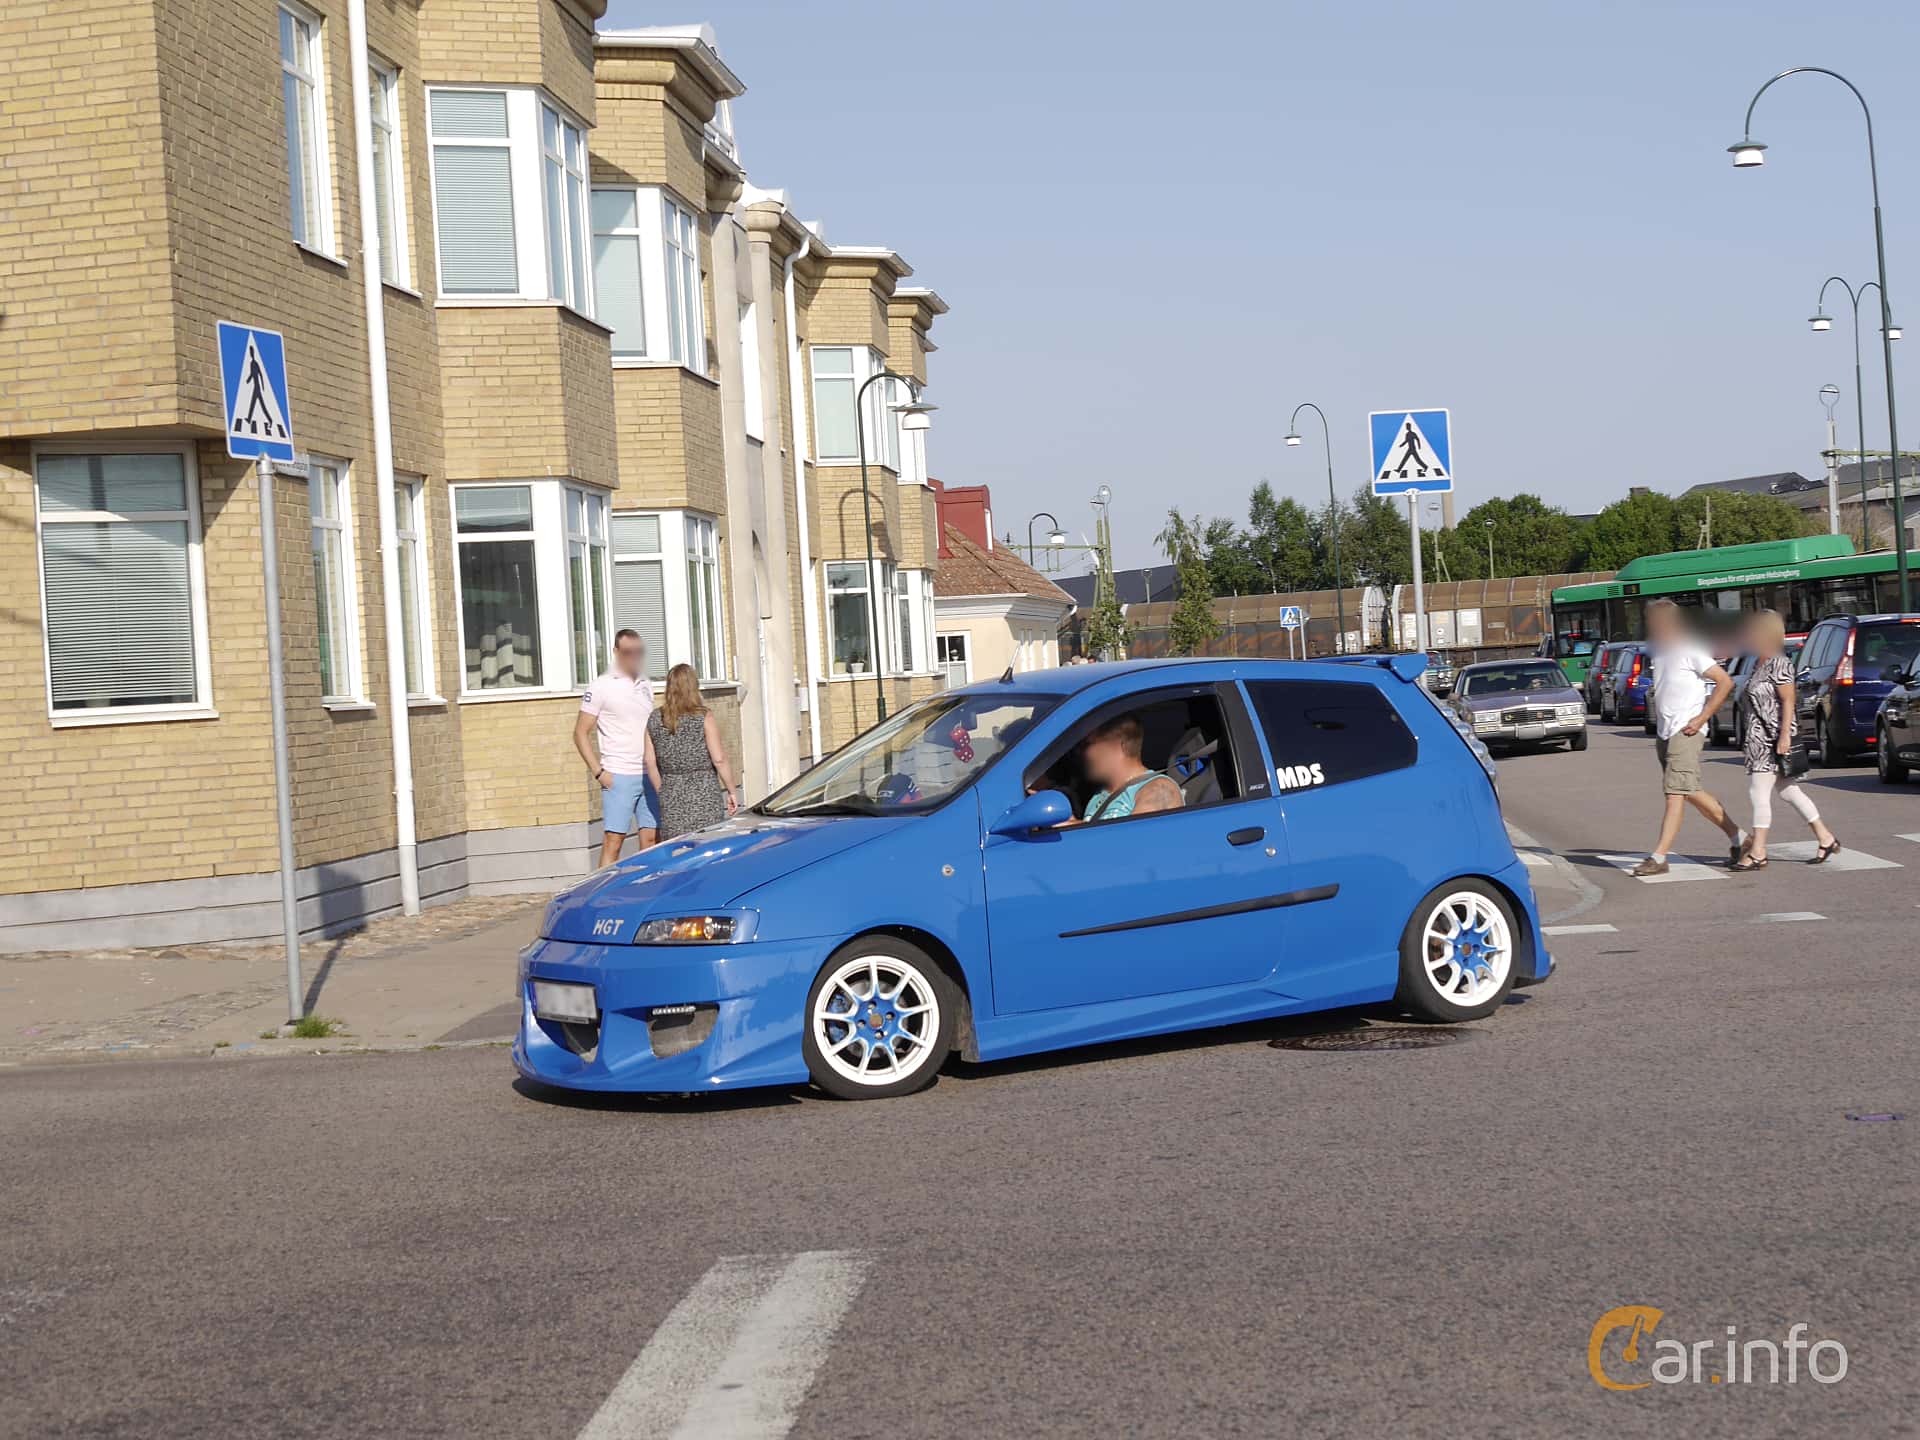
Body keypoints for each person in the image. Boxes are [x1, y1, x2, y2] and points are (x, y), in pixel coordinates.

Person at [1631, 599, 1745, 877]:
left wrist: (1701, 718)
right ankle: (1741, 839)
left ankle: (1659, 857)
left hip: (1686, 730)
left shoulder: (1689, 648)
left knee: (1675, 794)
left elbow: (1725, 681)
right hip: (1666, 732)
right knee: (1688, 791)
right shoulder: (1659, 653)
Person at [1733, 609, 1840, 871]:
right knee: (1788, 791)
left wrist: (1784, 736)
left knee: (1758, 792)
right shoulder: (1759, 662)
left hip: (1772, 738)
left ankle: (1758, 850)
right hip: (1758, 739)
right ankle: (1825, 837)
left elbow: (1788, 700)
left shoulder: (1779, 662)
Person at [575, 629, 657, 867]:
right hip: (618, 774)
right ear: (616, 653)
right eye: (627, 652)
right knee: (614, 841)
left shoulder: (645, 684)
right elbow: (580, 732)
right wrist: (599, 772)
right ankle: (601, 895)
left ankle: (646, 892)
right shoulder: (601, 686)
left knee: (651, 839)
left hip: (647, 774)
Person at [645, 663, 740, 840]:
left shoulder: (655, 718)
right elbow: (719, 759)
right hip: (704, 793)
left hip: (671, 793)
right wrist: (732, 790)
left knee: (676, 851)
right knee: (706, 850)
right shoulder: (703, 716)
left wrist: (663, 791)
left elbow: (650, 762)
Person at [1076, 713, 1183, 822]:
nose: (1081, 752)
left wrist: (1075, 826)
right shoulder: (1099, 796)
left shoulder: (1158, 788)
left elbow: (1137, 836)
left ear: (1117, 745)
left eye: (1087, 744)